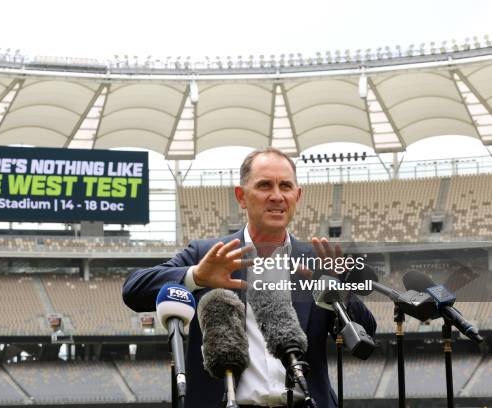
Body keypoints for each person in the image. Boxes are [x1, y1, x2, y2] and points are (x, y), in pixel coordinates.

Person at [123, 147, 376, 408]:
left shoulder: (315, 261)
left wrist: (338, 288)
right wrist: (197, 276)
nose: (277, 196)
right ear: (241, 196)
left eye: (286, 186)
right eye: (265, 185)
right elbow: (134, 289)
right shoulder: (207, 254)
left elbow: (366, 332)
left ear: (297, 196)